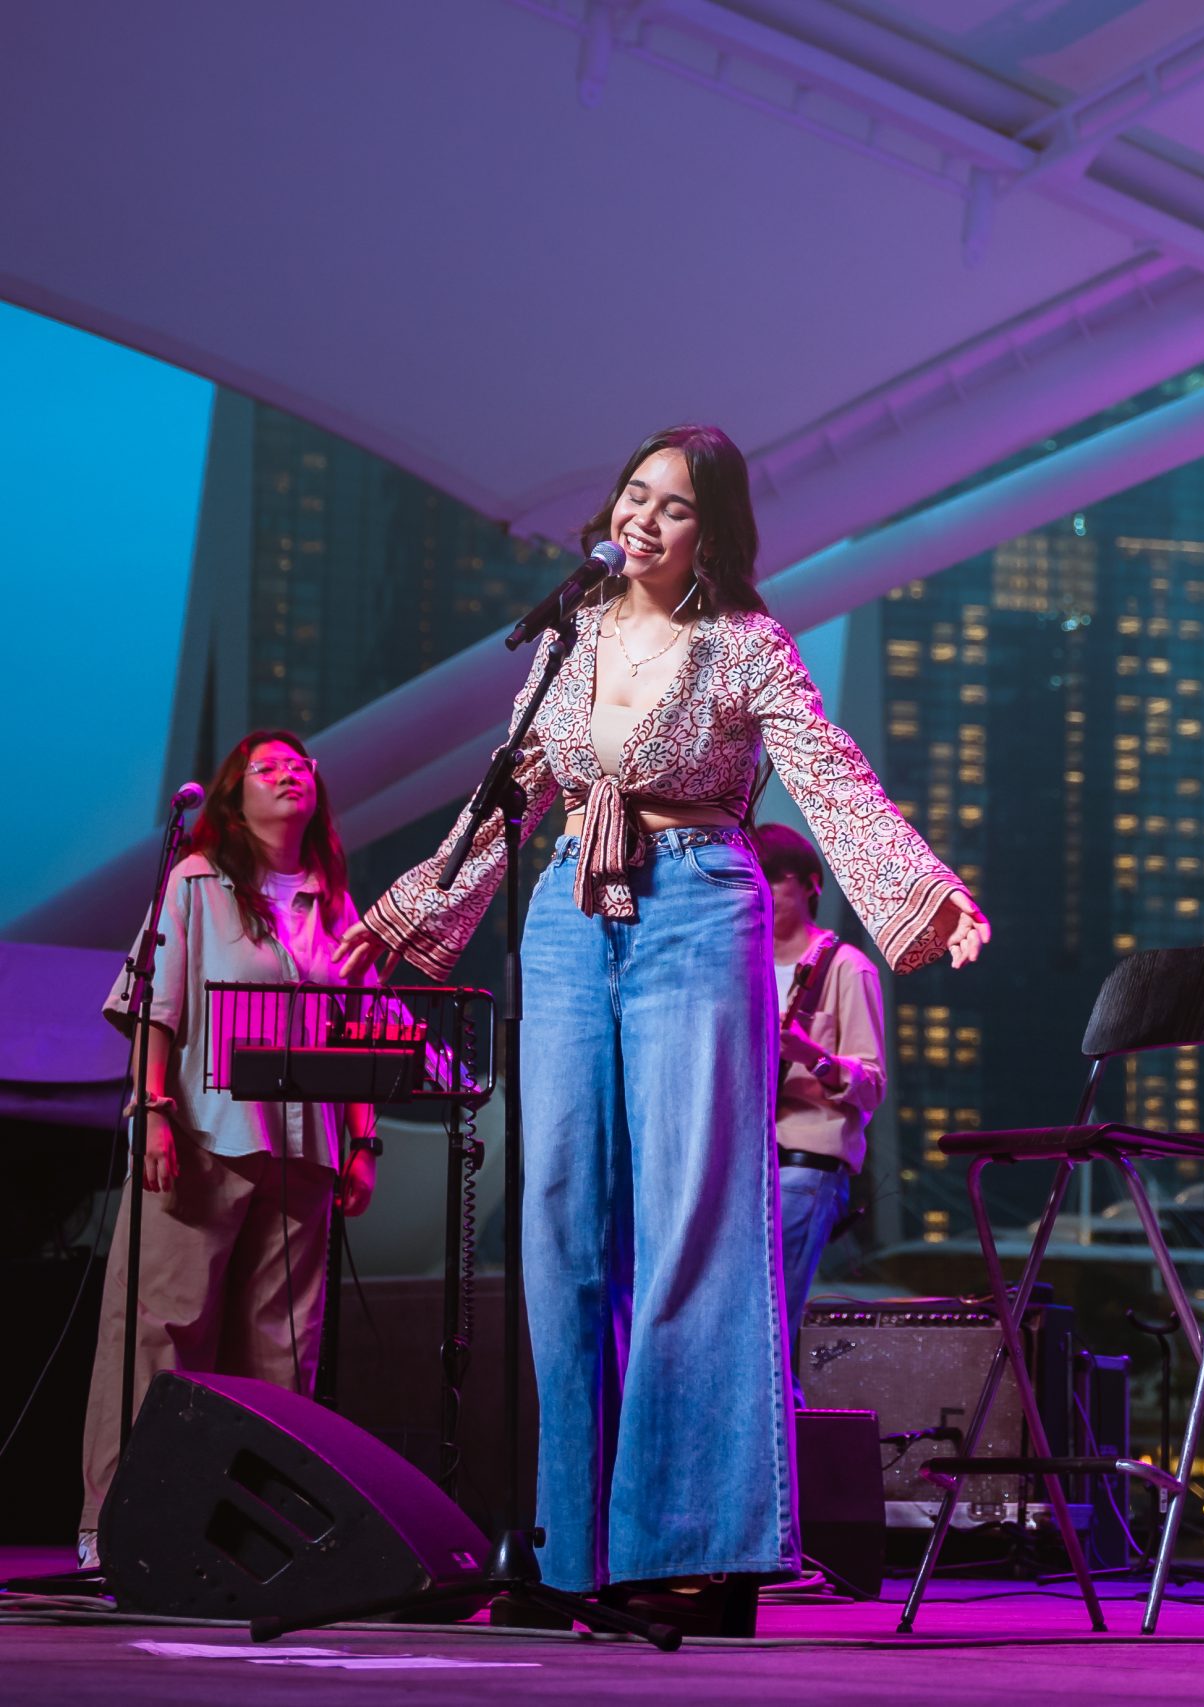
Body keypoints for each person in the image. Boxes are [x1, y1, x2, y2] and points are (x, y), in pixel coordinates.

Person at [336, 424, 988, 1629]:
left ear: (713, 533)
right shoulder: (573, 636)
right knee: (560, 1220)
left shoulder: (746, 643)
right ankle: (567, 1547)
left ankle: (688, 1544)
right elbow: (508, 792)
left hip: (696, 899)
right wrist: (408, 911)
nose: (643, 518)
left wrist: (919, 890)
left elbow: (829, 775)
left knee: (692, 1220)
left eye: (673, 507)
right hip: (570, 915)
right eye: (634, 495)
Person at [77, 730, 381, 1569]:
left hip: (305, 1147)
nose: (288, 774)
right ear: (232, 796)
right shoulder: (195, 880)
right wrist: (154, 1109)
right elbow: (157, 1006)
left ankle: (253, 1536)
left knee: (282, 1349)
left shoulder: (332, 899)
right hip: (208, 1134)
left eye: (298, 765)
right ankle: (122, 1524)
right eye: (266, 768)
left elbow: (353, 1031)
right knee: (161, 1332)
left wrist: (364, 1140)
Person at [753, 821, 887, 1366]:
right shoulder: (741, 963)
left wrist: (815, 1056)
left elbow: (872, 1082)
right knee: (738, 1327)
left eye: (774, 877)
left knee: (771, 1327)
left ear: (811, 885)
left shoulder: (845, 968)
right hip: (737, 1167)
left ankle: (785, 1442)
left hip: (803, 1167)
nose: (762, 888)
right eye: (753, 877)